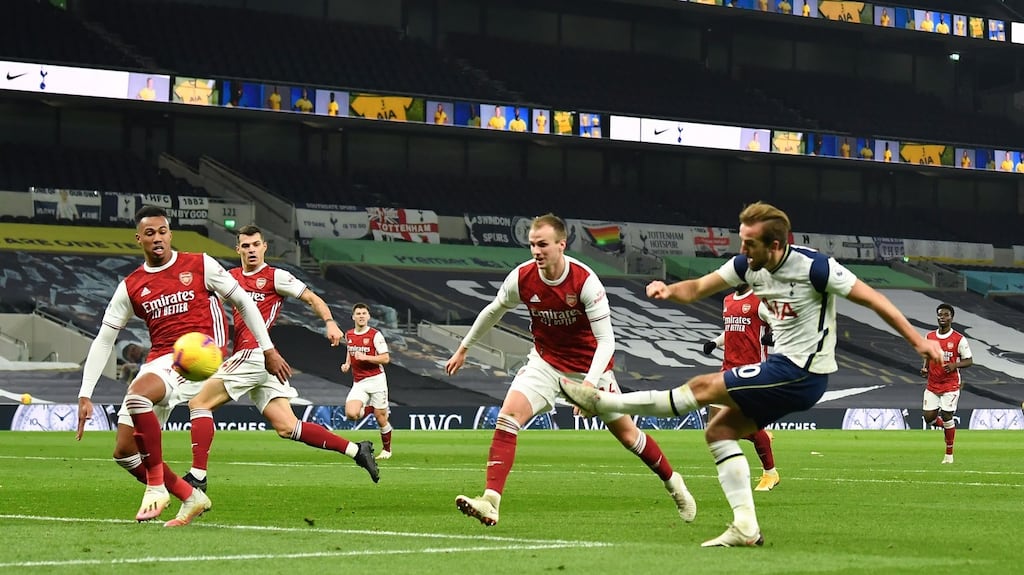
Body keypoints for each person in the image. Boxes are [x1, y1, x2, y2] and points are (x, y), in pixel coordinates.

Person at [559, 201, 943, 547]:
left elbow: (874, 299)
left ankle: (604, 401)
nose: (741, 251)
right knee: (719, 431)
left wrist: (917, 342)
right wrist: (667, 290)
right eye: (741, 242)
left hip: (804, 372)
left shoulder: (816, 268)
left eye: (749, 244)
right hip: (783, 369)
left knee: (703, 386)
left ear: (775, 245)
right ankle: (745, 527)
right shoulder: (748, 266)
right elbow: (697, 287)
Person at [445, 213, 696, 528]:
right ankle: (491, 501)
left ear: (561, 245)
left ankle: (674, 483)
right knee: (507, 418)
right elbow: (494, 310)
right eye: (533, 245)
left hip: (590, 369)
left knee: (629, 436)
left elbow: (607, 342)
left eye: (544, 245)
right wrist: (464, 347)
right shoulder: (522, 277)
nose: (537, 251)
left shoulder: (584, 280)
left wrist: (588, 387)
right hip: (545, 362)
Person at [76, 206, 293, 527]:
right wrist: (85, 393)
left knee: (137, 397)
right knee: (124, 452)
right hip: (161, 362)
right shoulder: (132, 286)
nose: (157, 239)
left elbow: (244, 302)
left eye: (162, 232)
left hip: (199, 356)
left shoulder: (200, 263)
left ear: (170, 234)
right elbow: (104, 339)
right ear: (139, 239)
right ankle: (191, 496)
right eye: (150, 234)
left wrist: (268, 349)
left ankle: (155, 487)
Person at [184, 225, 379, 492]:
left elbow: (312, 298)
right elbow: (203, 299)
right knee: (289, 427)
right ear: (237, 249)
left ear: (264, 246)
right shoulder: (229, 278)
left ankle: (198, 477)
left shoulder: (276, 277)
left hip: (254, 354)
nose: (251, 250)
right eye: (246, 245)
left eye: (256, 244)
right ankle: (357, 450)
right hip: (262, 361)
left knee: (199, 403)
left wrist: (331, 323)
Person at [701, 283, 779, 492]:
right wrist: (715, 343)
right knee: (714, 427)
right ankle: (760, 435)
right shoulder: (727, 301)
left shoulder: (760, 301)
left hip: (752, 372)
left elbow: (781, 326)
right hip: (727, 370)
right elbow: (732, 331)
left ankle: (770, 473)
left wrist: (772, 336)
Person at [919, 303, 972, 464]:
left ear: (951, 317)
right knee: (929, 418)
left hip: (950, 384)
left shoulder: (958, 339)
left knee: (947, 414)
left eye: (946, 315)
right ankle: (949, 427)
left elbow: (969, 360)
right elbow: (928, 355)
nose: (942, 317)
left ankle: (949, 454)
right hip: (933, 384)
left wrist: (955, 365)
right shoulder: (930, 336)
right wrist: (925, 368)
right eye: (940, 315)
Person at [340, 303, 394, 460]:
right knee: (351, 414)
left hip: (376, 380)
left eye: (364, 313)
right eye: (358, 313)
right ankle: (371, 408)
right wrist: (347, 364)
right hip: (359, 382)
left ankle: (387, 450)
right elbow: (350, 351)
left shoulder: (375, 335)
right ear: (353, 316)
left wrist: (367, 357)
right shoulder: (349, 334)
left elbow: (385, 358)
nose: (361, 316)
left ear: (369, 317)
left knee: (381, 418)